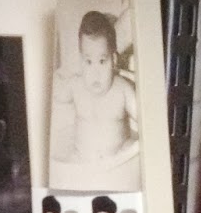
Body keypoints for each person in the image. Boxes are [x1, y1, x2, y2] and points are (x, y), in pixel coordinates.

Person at [53, 9, 139, 166]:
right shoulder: (75, 86)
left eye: (102, 61)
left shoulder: (123, 90)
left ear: (113, 60)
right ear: (81, 61)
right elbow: (54, 94)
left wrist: (131, 147)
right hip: (80, 161)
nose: (95, 72)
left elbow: (146, 120)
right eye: (88, 62)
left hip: (116, 163)